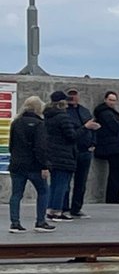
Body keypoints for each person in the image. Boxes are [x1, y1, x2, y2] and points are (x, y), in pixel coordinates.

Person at [8, 95, 53, 232]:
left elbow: (11, 145)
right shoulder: (39, 124)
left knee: (16, 194)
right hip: (34, 166)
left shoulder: (16, 122)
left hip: (17, 164)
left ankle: (15, 223)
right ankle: (40, 222)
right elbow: (41, 147)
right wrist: (45, 166)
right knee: (43, 191)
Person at [43, 91, 81, 220]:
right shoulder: (63, 117)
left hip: (51, 154)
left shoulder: (47, 116)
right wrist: (85, 128)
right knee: (62, 184)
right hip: (64, 155)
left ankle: (50, 209)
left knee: (54, 184)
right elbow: (71, 136)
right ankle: (57, 210)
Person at [66, 89, 97, 218]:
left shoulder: (85, 111)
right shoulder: (64, 112)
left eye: (75, 95)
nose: (73, 97)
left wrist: (93, 143)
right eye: (70, 95)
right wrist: (85, 127)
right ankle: (64, 208)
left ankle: (76, 208)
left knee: (81, 182)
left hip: (85, 151)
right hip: (70, 151)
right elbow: (70, 133)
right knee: (65, 182)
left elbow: (93, 127)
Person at [93, 91, 119, 206]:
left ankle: (113, 196)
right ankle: (113, 197)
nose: (112, 102)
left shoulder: (105, 112)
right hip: (111, 146)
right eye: (110, 100)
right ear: (105, 100)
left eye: (114, 100)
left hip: (110, 145)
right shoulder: (106, 113)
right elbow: (115, 127)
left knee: (116, 172)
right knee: (116, 173)